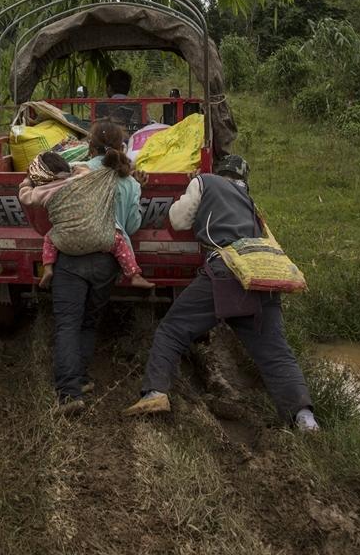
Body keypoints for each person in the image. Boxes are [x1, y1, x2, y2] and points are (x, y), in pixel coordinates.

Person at [123, 155, 318, 431]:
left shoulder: (205, 181)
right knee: (275, 352)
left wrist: (192, 190)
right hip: (264, 274)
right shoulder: (249, 203)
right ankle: (306, 420)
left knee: (173, 329)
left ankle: (155, 393)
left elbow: (178, 221)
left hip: (228, 269)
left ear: (218, 171)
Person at [44, 121, 147, 414]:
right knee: (89, 321)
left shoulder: (74, 173)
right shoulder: (128, 181)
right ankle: (83, 378)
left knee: (68, 324)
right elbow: (131, 226)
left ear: (89, 146)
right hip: (106, 259)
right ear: (121, 147)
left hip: (70, 258)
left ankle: (69, 394)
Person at [19, 150, 154, 291]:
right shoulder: (80, 178)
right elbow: (89, 171)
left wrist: (27, 181)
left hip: (65, 242)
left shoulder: (42, 191)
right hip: (100, 237)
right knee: (119, 241)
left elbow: (25, 196)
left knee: (49, 238)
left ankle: (48, 268)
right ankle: (134, 275)